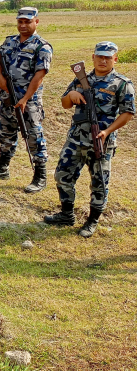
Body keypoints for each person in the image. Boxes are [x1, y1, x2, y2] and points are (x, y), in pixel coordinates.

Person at [44, 42, 134, 237]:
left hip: (101, 141)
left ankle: (92, 221)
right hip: (75, 139)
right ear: (93, 57)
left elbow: (127, 114)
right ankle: (66, 214)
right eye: (99, 56)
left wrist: (107, 131)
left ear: (115, 59)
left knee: (99, 182)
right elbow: (65, 104)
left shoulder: (122, 83)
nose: (103, 60)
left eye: (108, 57)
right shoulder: (81, 78)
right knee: (62, 175)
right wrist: (72, 94)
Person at [0, 7, 52, 193]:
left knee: (34, 137)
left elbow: (40, 75)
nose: (23, 25)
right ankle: (2, 168)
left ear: (36, 22)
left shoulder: (42, 46)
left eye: (27, 21)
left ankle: (40, 176)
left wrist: (25, 99)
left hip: (28, 102)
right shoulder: (9, 42)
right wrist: (1, 80)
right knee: (5, 134)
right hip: (7, 98)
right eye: (20, 21)